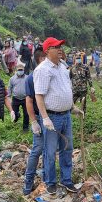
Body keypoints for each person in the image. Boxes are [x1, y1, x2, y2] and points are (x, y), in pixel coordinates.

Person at [34, 37, 83, 194]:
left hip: (66, 115)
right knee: (50, 151)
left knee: (67, 148)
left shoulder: (62, 66)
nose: (61, 49)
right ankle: (50, 182)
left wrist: (72, 107)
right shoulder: (43, 70)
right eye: (56, 47)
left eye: (61, 46)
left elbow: (65, 88)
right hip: (52, 116)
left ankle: (67, 180)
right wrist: (45, 118)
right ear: (48, 51)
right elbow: (39, 96)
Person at [23, 47, 46, 195]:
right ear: (41, 59)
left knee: (49, 150)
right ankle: (28, 183)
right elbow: (29, 101)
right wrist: (33, 121)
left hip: (50, 117)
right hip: (39, 117)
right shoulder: (31, 78)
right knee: (37, 149)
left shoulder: (49, 74)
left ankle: (46, 179)